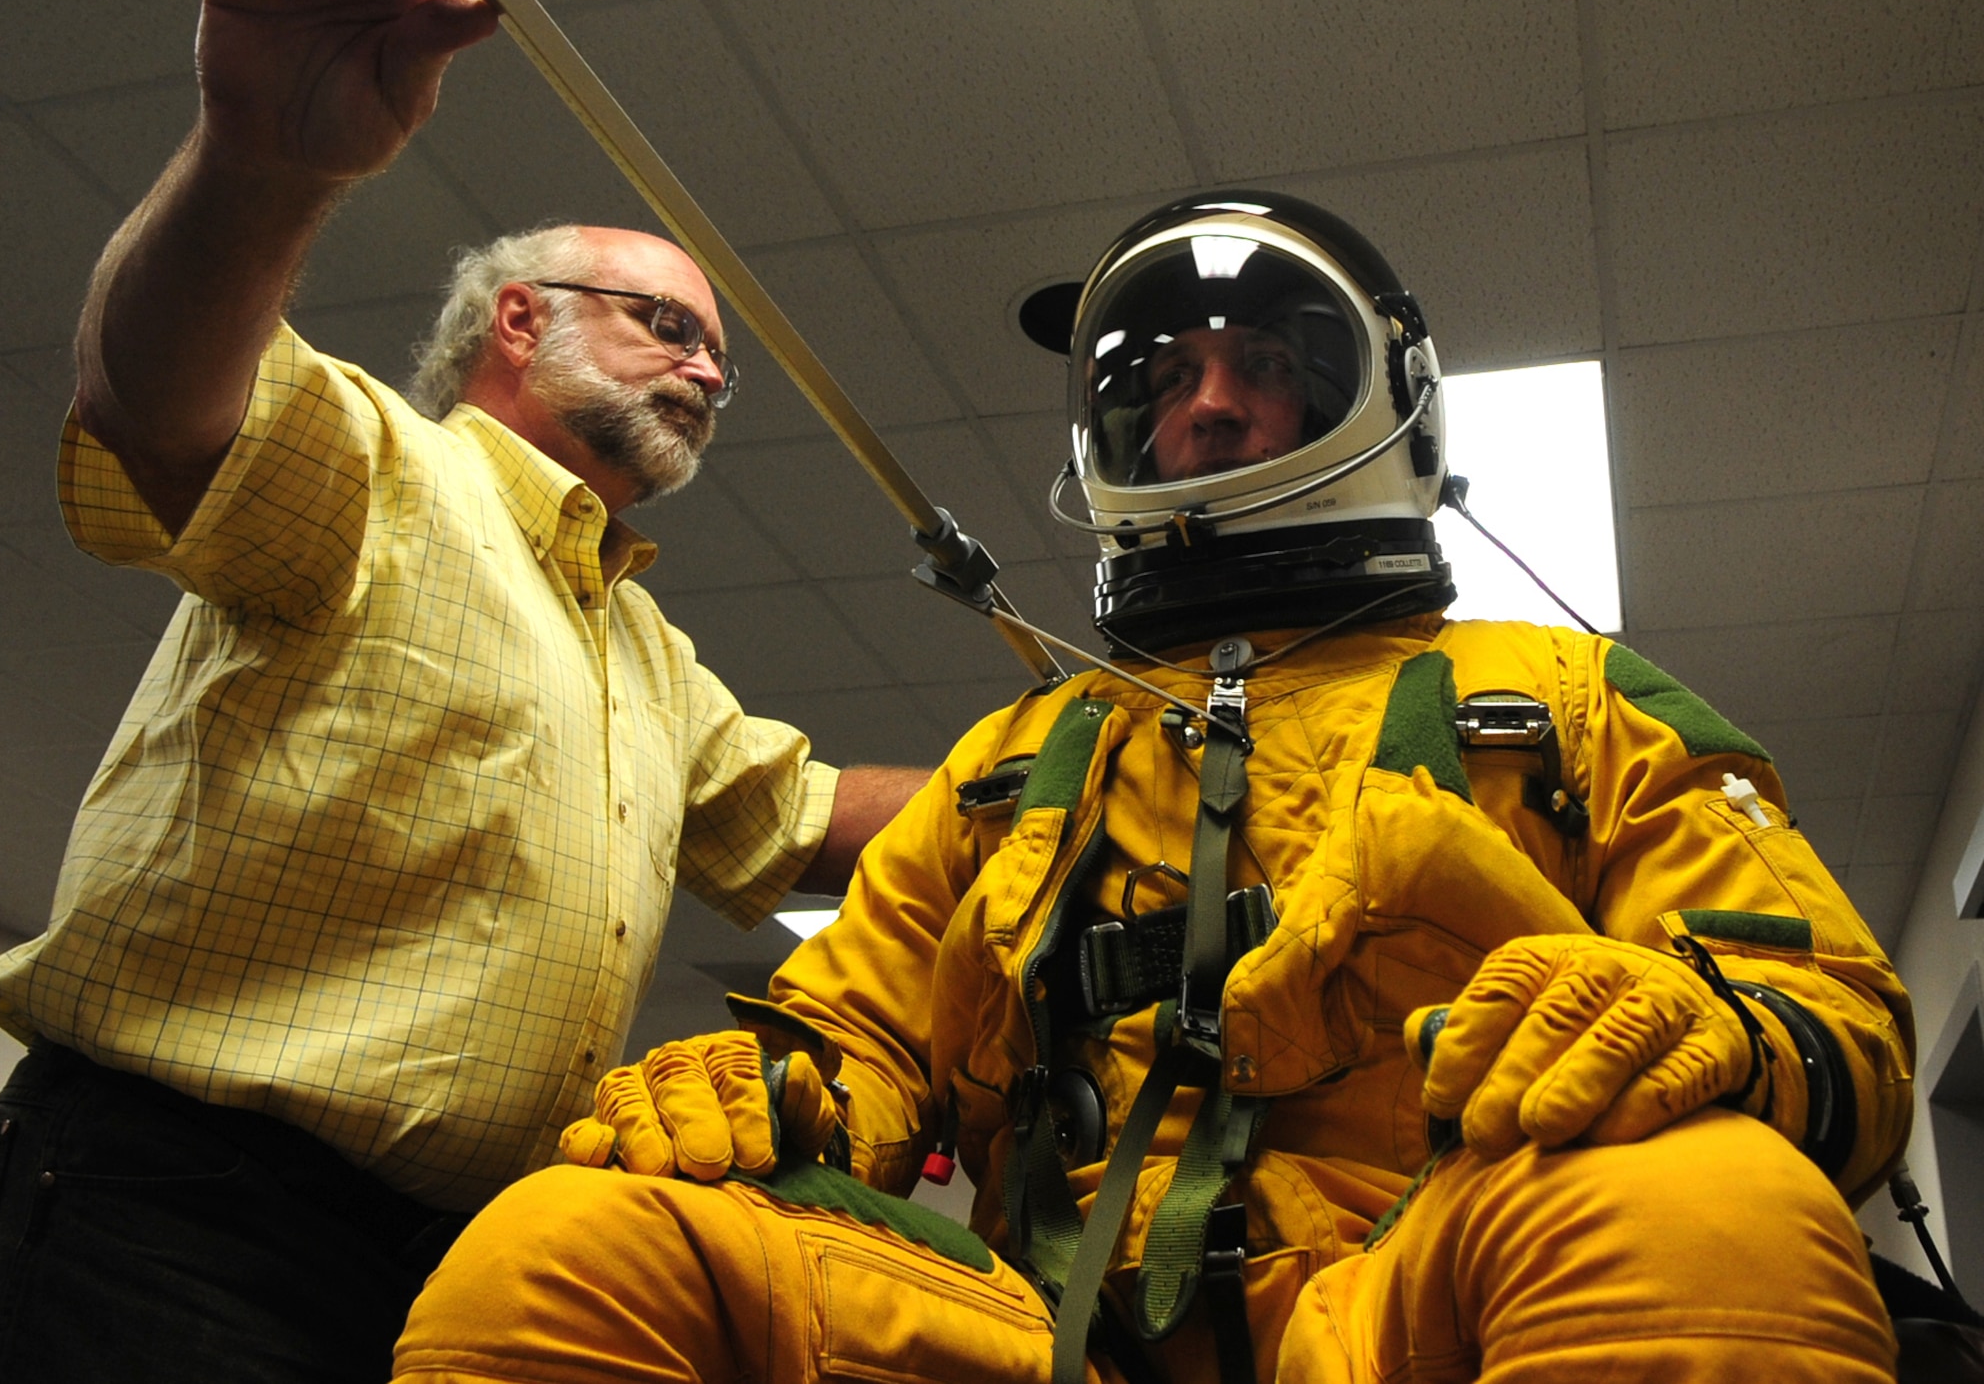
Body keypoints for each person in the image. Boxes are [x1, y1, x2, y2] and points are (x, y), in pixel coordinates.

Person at [393, 191, 1917, 1384]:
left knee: (1710, 1205)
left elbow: (1841, 1022)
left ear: (1384, 399)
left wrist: (1710, 1026)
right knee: (576, 1244)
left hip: (1420, 1302)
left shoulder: (1564, 701)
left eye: (1267, 366)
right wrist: (774, 1089)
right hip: (1038, 1339)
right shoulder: (1018, 765)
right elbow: (850, 1030)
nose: (1207, 409)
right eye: (1166, 377)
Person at [0, 0, 924, 1384]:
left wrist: (1079, 771)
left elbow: (818, 817)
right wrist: (262, 160)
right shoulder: (378, 468)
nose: (705, 371)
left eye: (718, 362)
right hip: (177, 1216)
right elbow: (154, 403)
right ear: (517, 320)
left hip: (456, 1268)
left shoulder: (643, 651)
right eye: (666, 326)